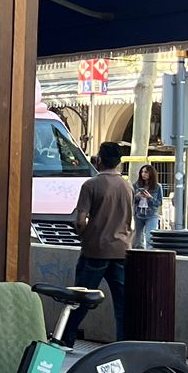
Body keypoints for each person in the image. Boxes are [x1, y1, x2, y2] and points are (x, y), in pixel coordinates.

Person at [72, 141, 133, 336]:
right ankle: (123, 343)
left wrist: (84, 236)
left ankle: (65, 339)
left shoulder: (91, 185)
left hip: (95, 250)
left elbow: (80, 220)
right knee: (123, 305)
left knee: (79, 299)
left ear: (99, 159)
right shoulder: (127, 186)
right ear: (118, 162)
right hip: (122, 250)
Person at [133, 162, 164, 249]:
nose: (143, 174)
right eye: (142, 172)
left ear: (151, 174)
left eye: (146, 172)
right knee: (137, 238)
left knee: (150, 237)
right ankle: (138, 257)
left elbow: (159, 202)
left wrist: (149, 197)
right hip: (138, 214)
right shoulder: (136, 185)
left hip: (151, 215)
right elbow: (131, 200)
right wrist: (137, 196)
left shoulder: (157, 187)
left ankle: (150, 255)